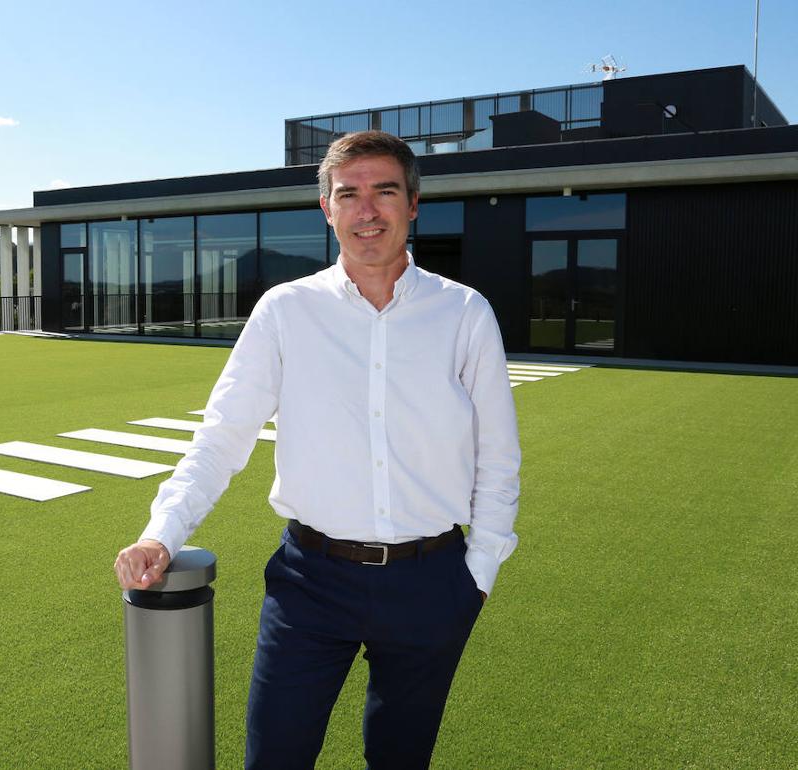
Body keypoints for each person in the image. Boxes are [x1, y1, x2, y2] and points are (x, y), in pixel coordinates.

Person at [114, 130, 520, 769]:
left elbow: (498, 454)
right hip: (311, 583)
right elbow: (221, 437)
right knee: (275, 757)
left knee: (400, 760)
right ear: (326, 209)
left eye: (384, 191)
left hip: (431, 582)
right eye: (348, 194)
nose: (367, 210)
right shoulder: (285, 311)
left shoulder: (463, 312)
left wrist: (480, 572)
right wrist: (162, 534)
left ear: (412, 204)